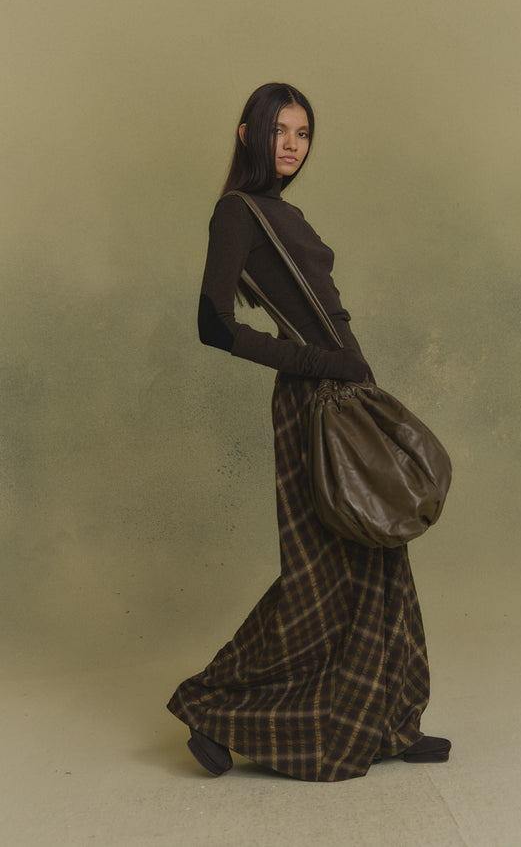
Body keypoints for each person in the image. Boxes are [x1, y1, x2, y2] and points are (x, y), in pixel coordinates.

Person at [167, 82, 450, 782]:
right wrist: (318, 364)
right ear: (247, 134)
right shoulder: (238, 212)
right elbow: (212, 325)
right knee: (319, 577)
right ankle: (209, 707)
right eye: (279, 131)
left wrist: (350, 373)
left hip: (347, 394)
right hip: (311, 403)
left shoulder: (284, 212)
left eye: (303, 133)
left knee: (379, 555)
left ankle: (389, 720)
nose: (292, 145)